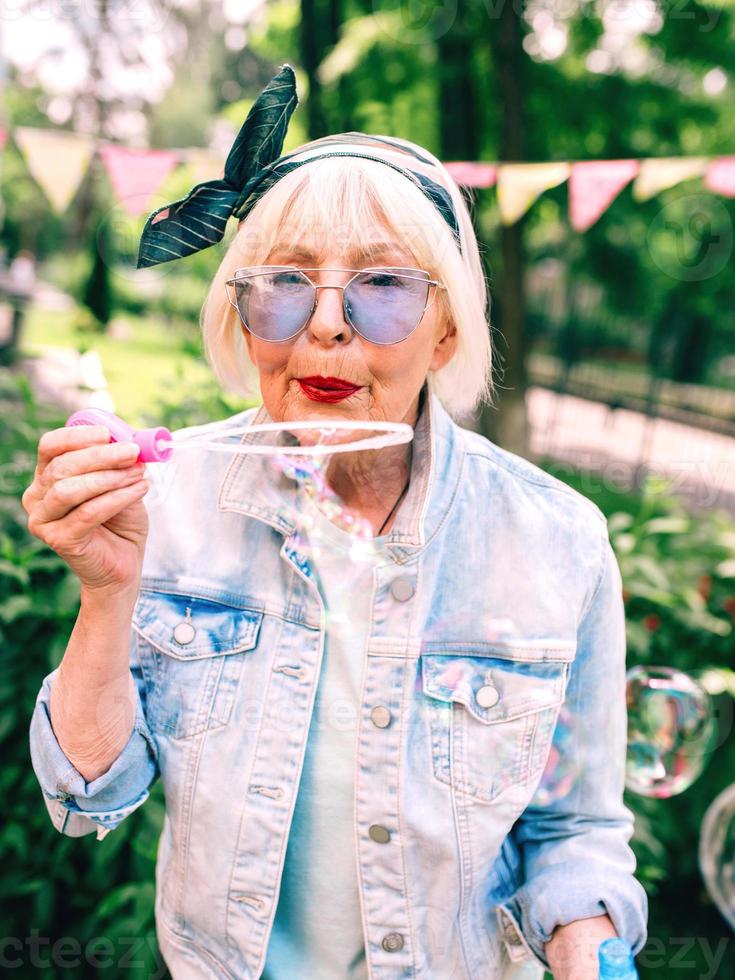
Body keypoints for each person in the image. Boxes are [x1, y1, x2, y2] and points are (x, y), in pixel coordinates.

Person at [25, 64, 647, 979]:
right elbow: (86, 798)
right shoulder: (171, 503)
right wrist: (107, 592)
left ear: (445, 330)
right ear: (242, 315)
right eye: (282, 283)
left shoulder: (555, 541)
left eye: (383, 286)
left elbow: (576, 828)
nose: (324, 326)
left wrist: (589, 948)